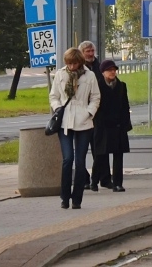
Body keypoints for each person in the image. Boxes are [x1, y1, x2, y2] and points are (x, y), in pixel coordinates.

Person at [48, 47, 101, 210]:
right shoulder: (60, 74)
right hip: (64, 121)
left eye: (75, 63)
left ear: (80, 62)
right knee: (67, 159)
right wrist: (57, 108)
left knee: (80, 161)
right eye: (69, 63)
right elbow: (54, 96)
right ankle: (65, 196)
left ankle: (77, 199)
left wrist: (89, 113)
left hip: (83, 122)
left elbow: (96, 97)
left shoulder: (89, 75)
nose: (72, 67)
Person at [93, 59, 131, 193]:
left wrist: (126, 124)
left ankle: (118, 183)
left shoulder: (121, 86)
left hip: (118, 126)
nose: (113, 72)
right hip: (103, 126)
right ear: (103, 72)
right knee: (101, 154)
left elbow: (125, 106)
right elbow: (95, 106)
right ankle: (95, 180)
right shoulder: (97, 86)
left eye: (114, 70)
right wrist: (97, 122)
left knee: (118, 155)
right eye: (109, 70)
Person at [78, 40, 108, 191]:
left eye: (92, 51)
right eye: (87, 52)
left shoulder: (99, 67)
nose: (90, 54)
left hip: (98, 113)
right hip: (81, 114)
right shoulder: (77, 68)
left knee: (100, 148)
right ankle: (84, 179)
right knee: (81, 148)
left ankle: (104, 178)